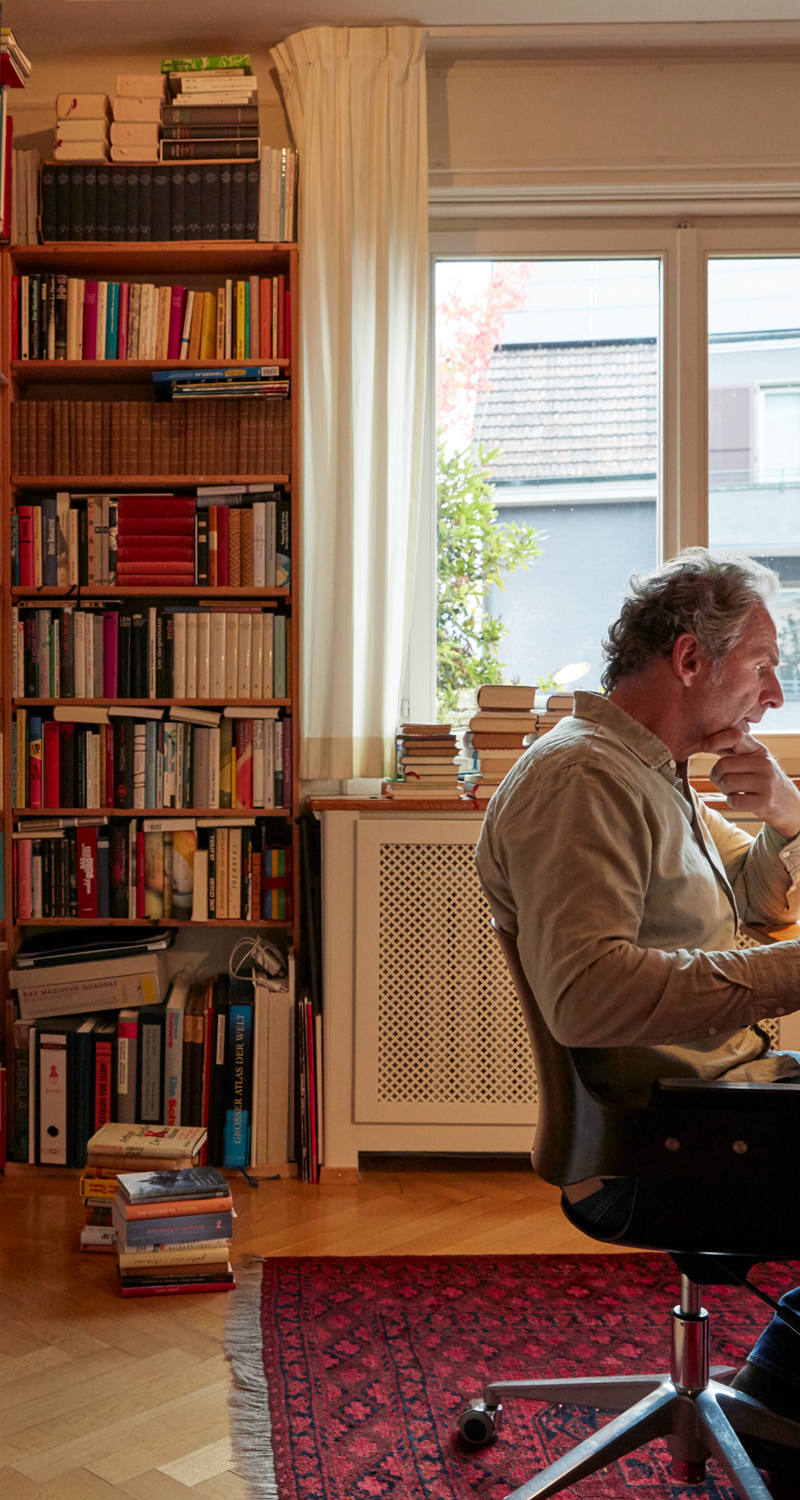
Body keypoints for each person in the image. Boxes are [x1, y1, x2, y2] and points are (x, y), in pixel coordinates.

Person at [475, 547, 800, 1490]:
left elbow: (757, 898)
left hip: (716, 1102)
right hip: (661, 1141)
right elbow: (588, 995)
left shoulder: (651, 770)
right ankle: (782, 1413)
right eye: (763, 665)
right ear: (691, 660)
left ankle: (779, 1402)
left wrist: (787, 814)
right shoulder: (586, 781)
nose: (774, 695)